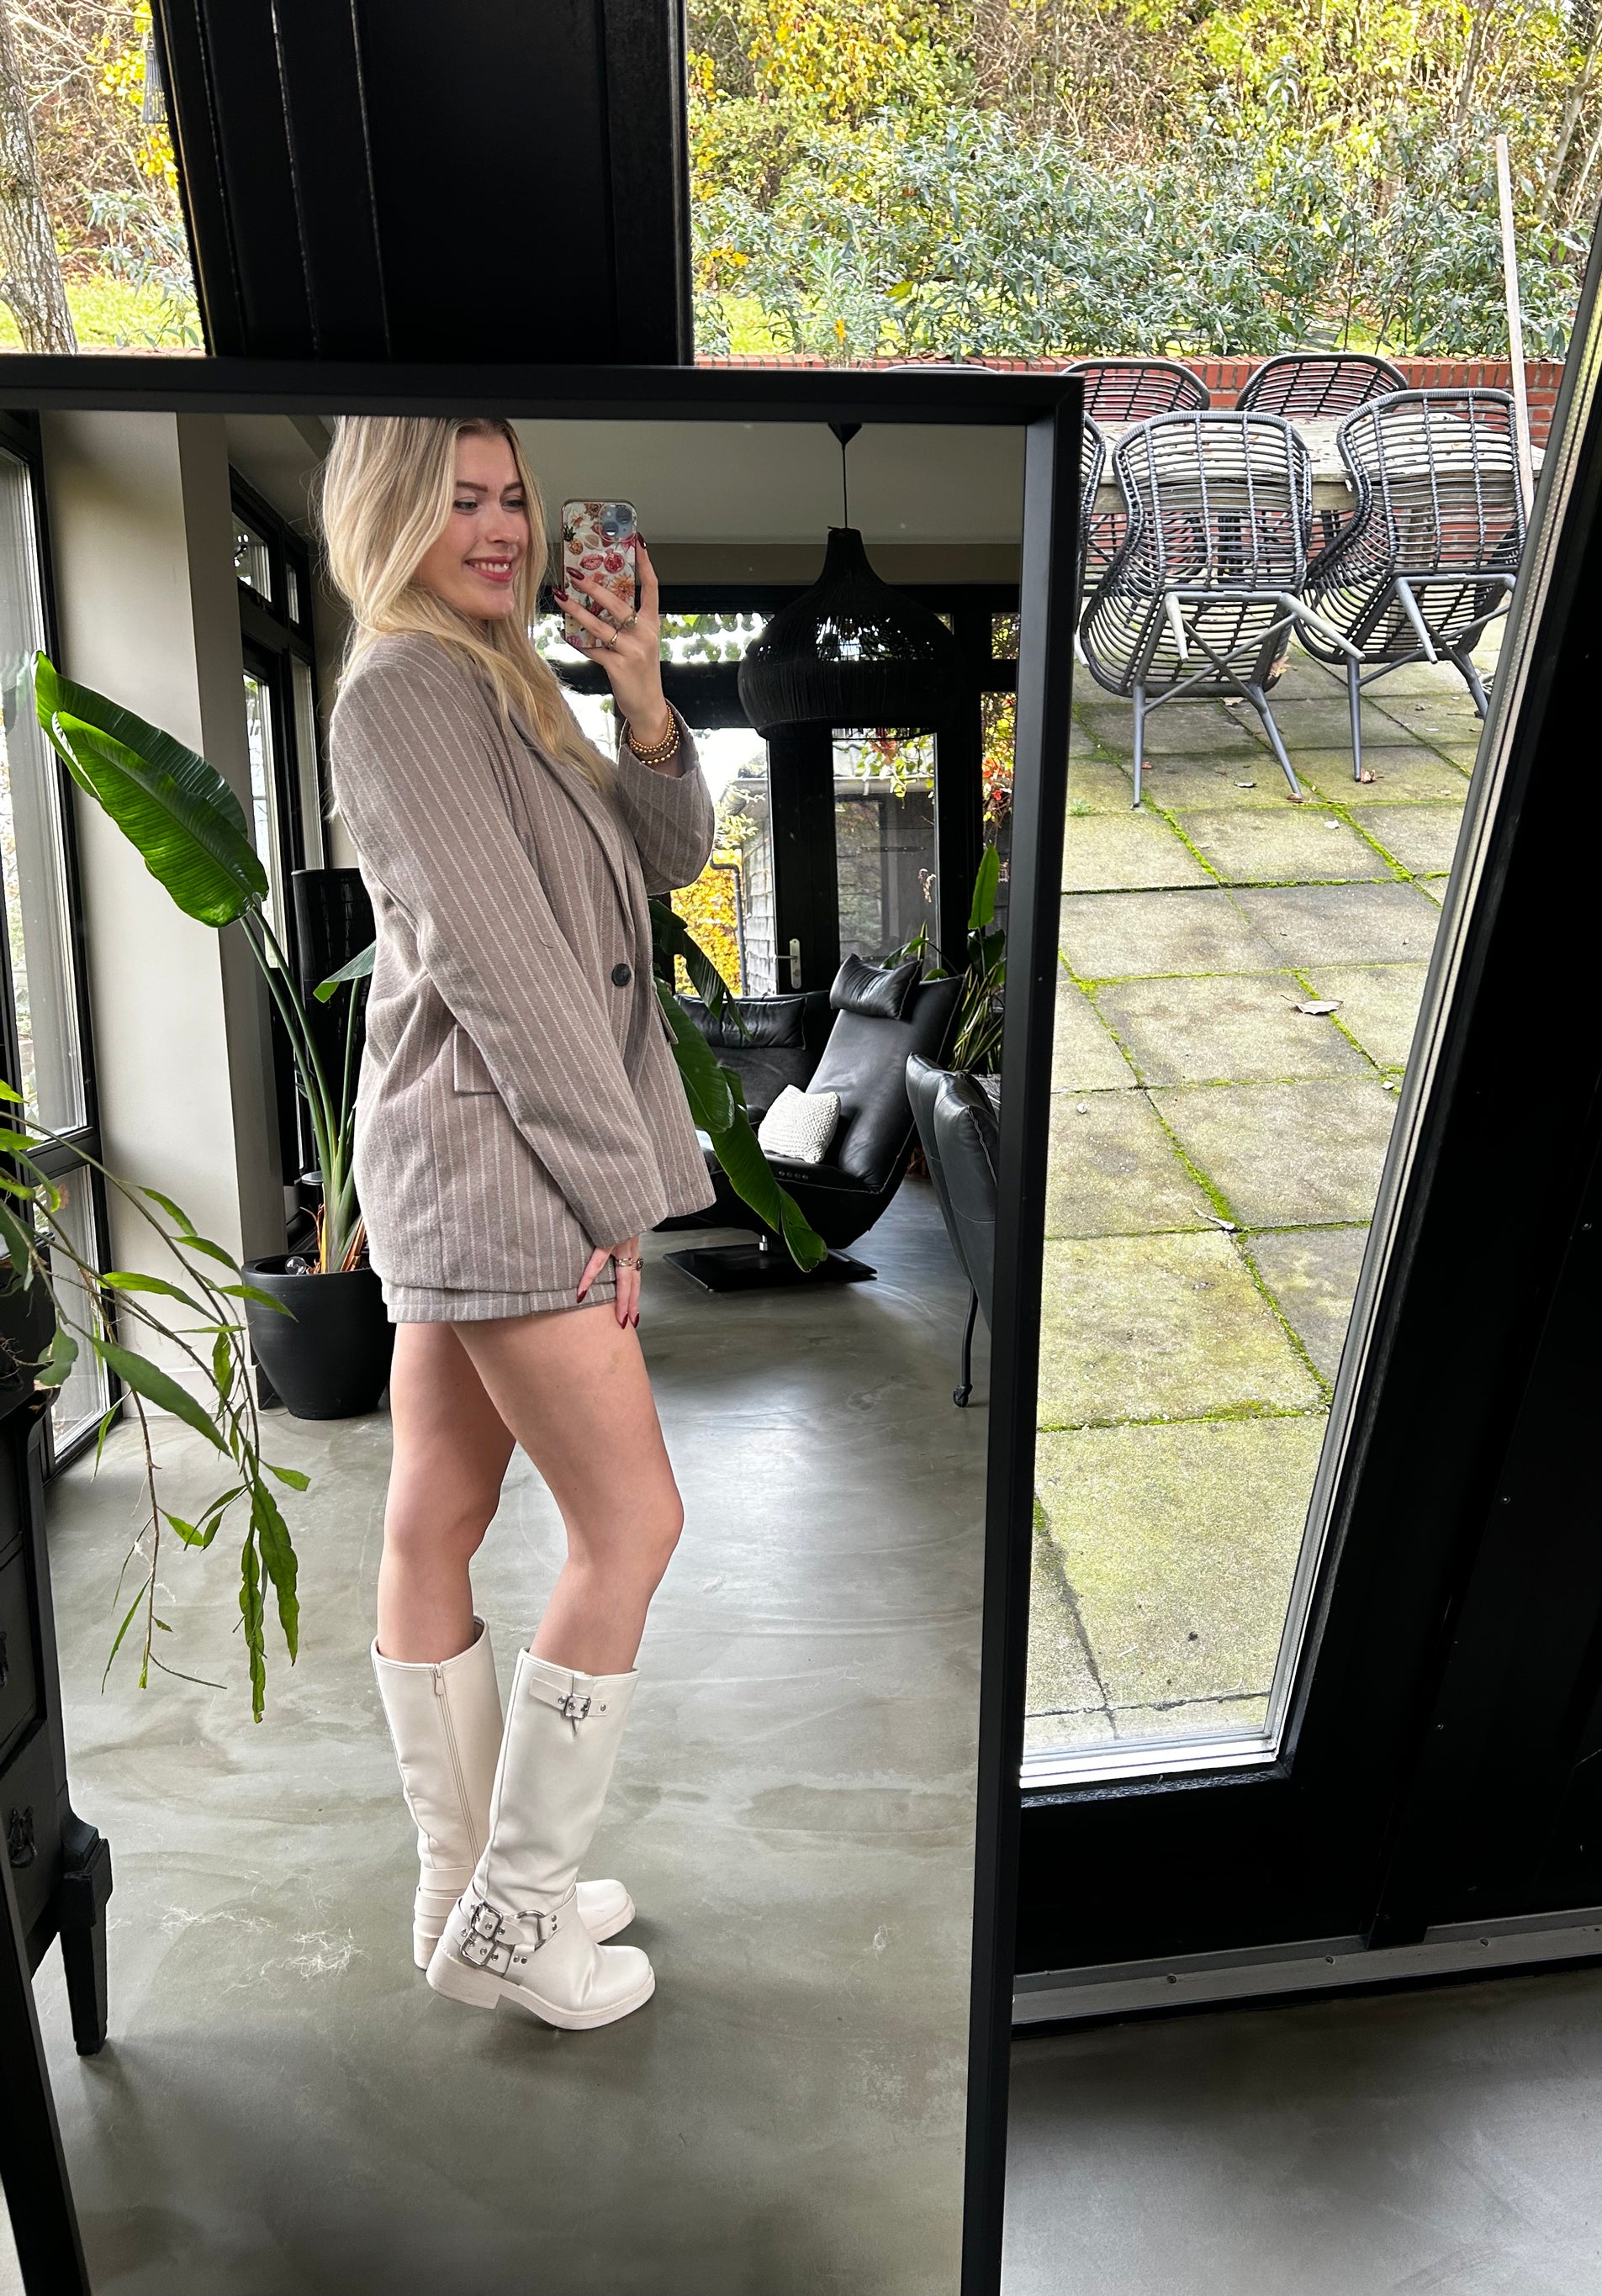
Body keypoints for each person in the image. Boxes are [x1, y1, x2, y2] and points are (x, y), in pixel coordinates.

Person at [320, 416, 714, 2030]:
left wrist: (636, 690)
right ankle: (521, 1915)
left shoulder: (504, 683)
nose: (497, 529)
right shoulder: (405, 691)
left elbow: (667, 861)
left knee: (436, 1515)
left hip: (467, 1161)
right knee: (634, 1527)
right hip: (506, 1167)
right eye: (457, 500)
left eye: (510, 500)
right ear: (388, 511)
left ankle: (466, 1887)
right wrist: (614, 1189)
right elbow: (502, 965)